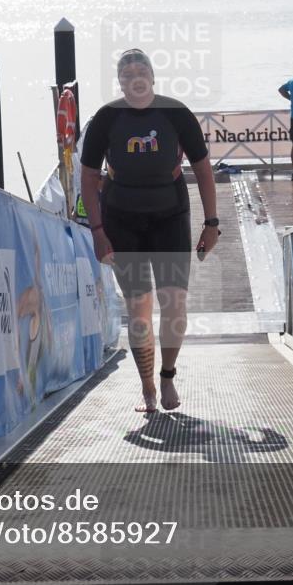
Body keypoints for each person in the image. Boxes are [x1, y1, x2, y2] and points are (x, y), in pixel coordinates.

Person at [80, 49, 220, 414]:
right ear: (120, 82)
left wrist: (212, 222)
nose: (135, 77)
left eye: (141, 70)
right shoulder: (106, 119)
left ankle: (168, 375)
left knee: (174, 303)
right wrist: (97, 230)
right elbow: (89, 177)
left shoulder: (175, 113)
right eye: (127, 73)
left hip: (170, 213)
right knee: (138, 308)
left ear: (153, 77)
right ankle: (146, 388)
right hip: (121, 217)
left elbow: (204, 169)